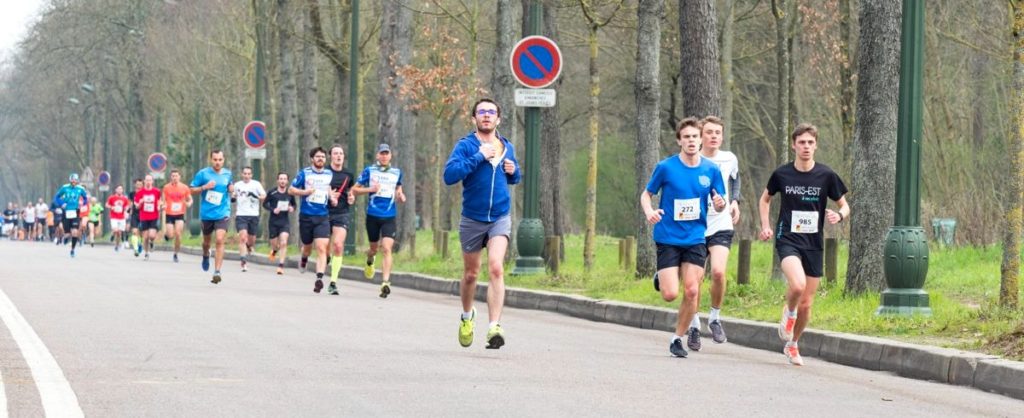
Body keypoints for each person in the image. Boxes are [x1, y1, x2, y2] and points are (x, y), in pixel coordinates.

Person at [758, 123, 849, 366]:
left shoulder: (826, 175)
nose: (806, 147)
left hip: (814, 243)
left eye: (810, 142)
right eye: (801, 143)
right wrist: (765, 225)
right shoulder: (782, 174)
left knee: (807, 303)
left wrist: (838, 216)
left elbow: (845, 205)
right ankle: (789, 313)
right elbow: (765, 199)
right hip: (787, 239)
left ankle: (793, 344)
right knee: (797, 286)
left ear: (816, 145)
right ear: (793, 145)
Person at [640, 117, 726, 358]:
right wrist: (650, 212)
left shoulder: (711, 169)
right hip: (668, 236)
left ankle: (677, 338)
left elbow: (720, 202)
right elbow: (646, 195)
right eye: (686, 137)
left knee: (691, 291)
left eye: (695, 137)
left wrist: (720, 204)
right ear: (679, 140)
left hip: (696, 238)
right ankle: (662, 275)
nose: (691, 141)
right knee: (670, 294)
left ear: (701, 140)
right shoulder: (666, 167)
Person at [443, 99, 521, 349]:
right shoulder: (466, 146)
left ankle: (494, 327)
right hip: (473, 218)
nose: (486, 116)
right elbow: (450, 175)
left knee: (496, 268)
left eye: (491, 112)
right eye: (481, 112)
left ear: (498, 119)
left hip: (499, 216)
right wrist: (478, 156)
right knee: (471, 275)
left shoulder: (507, 146)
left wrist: (514, 171)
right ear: (474, 118)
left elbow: (514, 176)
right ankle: (467, 316)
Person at [688, 115, 742, 347]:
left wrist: (735, 201)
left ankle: (715, 318)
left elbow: (735, 179)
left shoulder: (729, 158)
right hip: (695, 226)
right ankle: (693, 325)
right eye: (709, 132)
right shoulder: (691, 160)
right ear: (701, 135)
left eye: (718, 133)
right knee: (696, 280)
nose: (714, 137)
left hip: (721, 224)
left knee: (719, 272)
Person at [352, 143, 405, 298]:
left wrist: (400, 195)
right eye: (381, 153)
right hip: (373, 216)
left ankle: (385, 283)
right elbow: (355, 189)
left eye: (386, 153)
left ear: (390, 156)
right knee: (374, 249)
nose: (384, 156)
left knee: (387, 248)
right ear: (377, 156)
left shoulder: (397, 172)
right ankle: (370, 259)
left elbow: (398, 188)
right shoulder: (370, 171)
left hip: (389, 216)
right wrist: (370, 189)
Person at [289, 147, 334, 293]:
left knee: (321, 248)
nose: (320, 159)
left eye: (323, 157)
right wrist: (305, 192)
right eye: (318, 157)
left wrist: (332, 197)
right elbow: (291, 190)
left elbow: (328, 189)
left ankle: (319, 278)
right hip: (307, 216)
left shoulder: (329, 174)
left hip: (322, 216)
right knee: (307, 247)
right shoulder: (304, 173)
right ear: (312, 159)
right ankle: (304, 257)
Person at [189, 149, 234, 284]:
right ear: (211, 159)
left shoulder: (228, 173)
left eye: (220, 160)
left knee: (220, 240)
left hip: (222, 213)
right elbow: (191, 189)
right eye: (215, 160)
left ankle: (217, 271)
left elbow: (230, 183)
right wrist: (204, 187)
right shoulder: (203, 174)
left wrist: (231, 187)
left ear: (223, 160)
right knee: (206, 242)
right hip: (207, 214)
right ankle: (205, 254)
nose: (217, 162)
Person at [321, 145, 356, 295]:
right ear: (330, 156)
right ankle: (326, 257)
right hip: (323, 212)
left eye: (341, 153)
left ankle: (333, 282)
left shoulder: (348, 174)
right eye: (335, 153)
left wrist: (351, 197)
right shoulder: (324, 172)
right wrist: (328, 195)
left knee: (338, 245)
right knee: (325, 247)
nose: (338, 156)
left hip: (342, 212)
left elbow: (352, 190)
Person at [232, 166, 266, 272]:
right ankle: (243, 261)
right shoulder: (237, 185)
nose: (246, 176)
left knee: (251, 240)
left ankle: (249, 246)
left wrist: (255, 196)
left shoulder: (256, 184)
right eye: (245, 173)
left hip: (253, 215)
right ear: (242, 174)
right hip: (241, 215)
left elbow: (264, 196)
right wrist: (233, 197)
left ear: (251, 175)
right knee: (242, 238)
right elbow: (234, 194)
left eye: (248, 174)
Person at [264, 172, 295, 275]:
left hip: (284, 222)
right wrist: (273, 210)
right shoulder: (272, 192)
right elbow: (265, 204)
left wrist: (292, 208)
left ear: (287, 181)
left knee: (283, 242)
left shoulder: (290, 193)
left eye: (284, 179)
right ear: (277, 180)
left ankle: (281, 266)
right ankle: (274, 250)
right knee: (275, 245)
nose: (282, 181)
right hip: (273, 222)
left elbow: (294, 205)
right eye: (281, 179)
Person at [53, 173, 90, 257]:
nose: (74, 182)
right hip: (66, 211)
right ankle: (65, 237)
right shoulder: (65, 187)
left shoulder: (80, 189)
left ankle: (72, 249)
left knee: (75, 232)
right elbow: (57, 197)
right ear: (70, 180)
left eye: (75, 181)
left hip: (75, 211)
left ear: (77, 181)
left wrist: (82, 204)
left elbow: (85, 198)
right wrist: (62, 203)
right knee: (67, 233)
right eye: (72, 180)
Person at [162, 169, 193, 262]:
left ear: (179, 177)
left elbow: (190, 199)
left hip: (180, 213)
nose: (174, 178)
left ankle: (175, 254)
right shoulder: (166, 187)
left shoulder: (184, 187)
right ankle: (167, 235)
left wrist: (189, 203)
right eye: (173, 176)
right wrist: (163, 205)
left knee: (178, 234)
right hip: (169, 213)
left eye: (176, 176)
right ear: (170, 177)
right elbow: (163, 200)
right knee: (171, 235)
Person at [134, 174, 162, 260]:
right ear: (144, 181)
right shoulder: (140, 193)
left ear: (152, 181)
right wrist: (140, 203)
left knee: (152, 236)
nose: (148, 182)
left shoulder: (157, 191)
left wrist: (159, 206)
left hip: (154, 216)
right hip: (144, 217)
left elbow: (160, 201)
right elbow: (137, 206)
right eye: (147, 180)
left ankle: (152, 242)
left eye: (150, 180)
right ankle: (146, 253)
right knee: (145, 237)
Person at [106, 185, 131, 252]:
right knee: (115, 230)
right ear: (116, 190)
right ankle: (112, 234)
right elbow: (107, 204)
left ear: (122, 190)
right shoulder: (112, 197)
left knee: (119, 233)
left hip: (121, 217)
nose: (120, 190)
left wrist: (126, 209)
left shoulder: (125, 199)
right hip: (114, 217)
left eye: (121, 189)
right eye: (118, 189)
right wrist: (111, 207)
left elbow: (127, 206)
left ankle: (117, 245)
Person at [127, 178, 144, 254]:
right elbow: (130, 203)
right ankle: (136, 248)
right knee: (134, 231)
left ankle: (140, 243)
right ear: (135, 185)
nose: (139, 186)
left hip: (144, 213)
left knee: (141, 232)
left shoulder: (145, 193)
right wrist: (130, 210)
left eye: (140, 184)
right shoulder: (131, 194)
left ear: (143, 185)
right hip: (135, 214)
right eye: (137, 184)